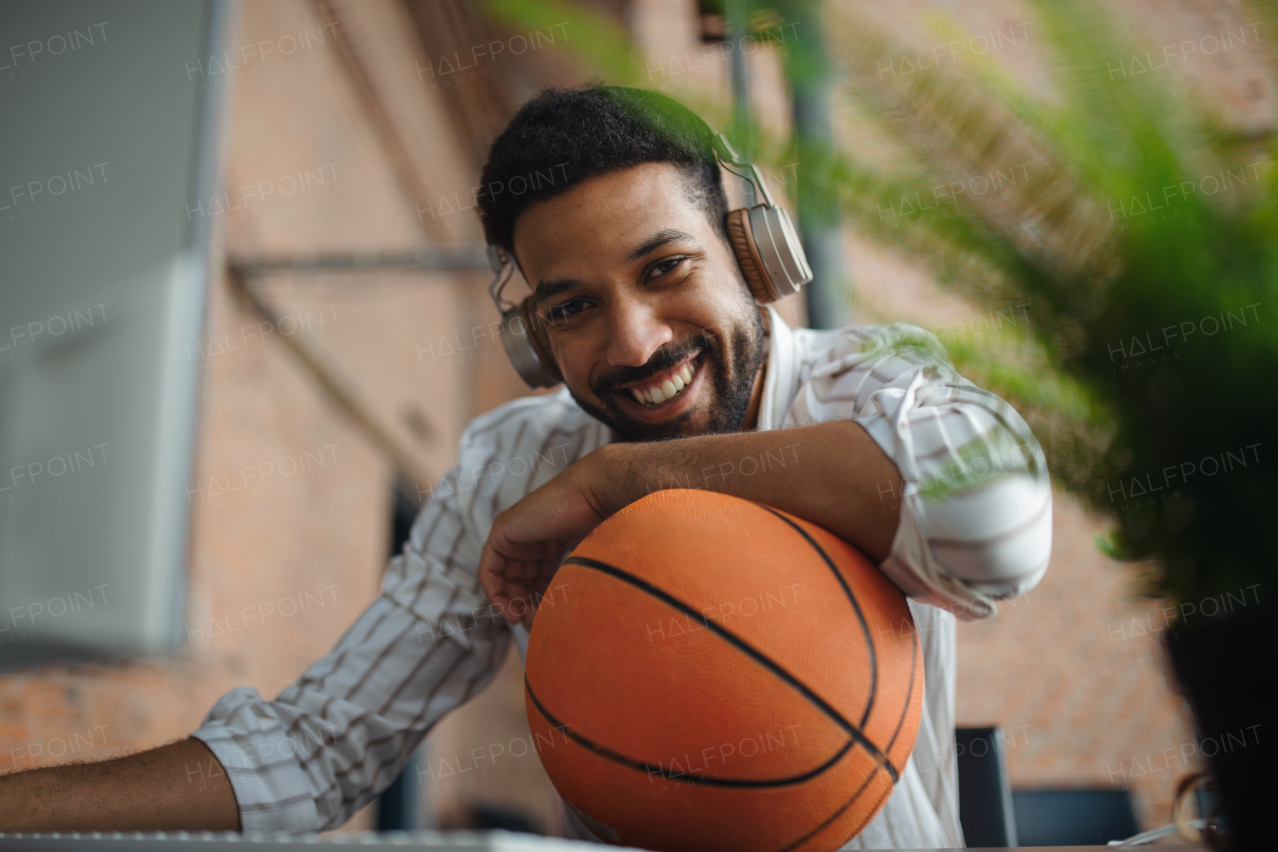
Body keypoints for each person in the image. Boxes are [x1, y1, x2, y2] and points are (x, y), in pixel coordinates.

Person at [0, 86, 1051, 848]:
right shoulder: (511, 462)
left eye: (664, 269)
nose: (634, 342)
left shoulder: (867, 386)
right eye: (571, 307)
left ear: (752, 253)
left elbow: (998, 527)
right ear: (531, 341)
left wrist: (614, 486)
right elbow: (315, 754)